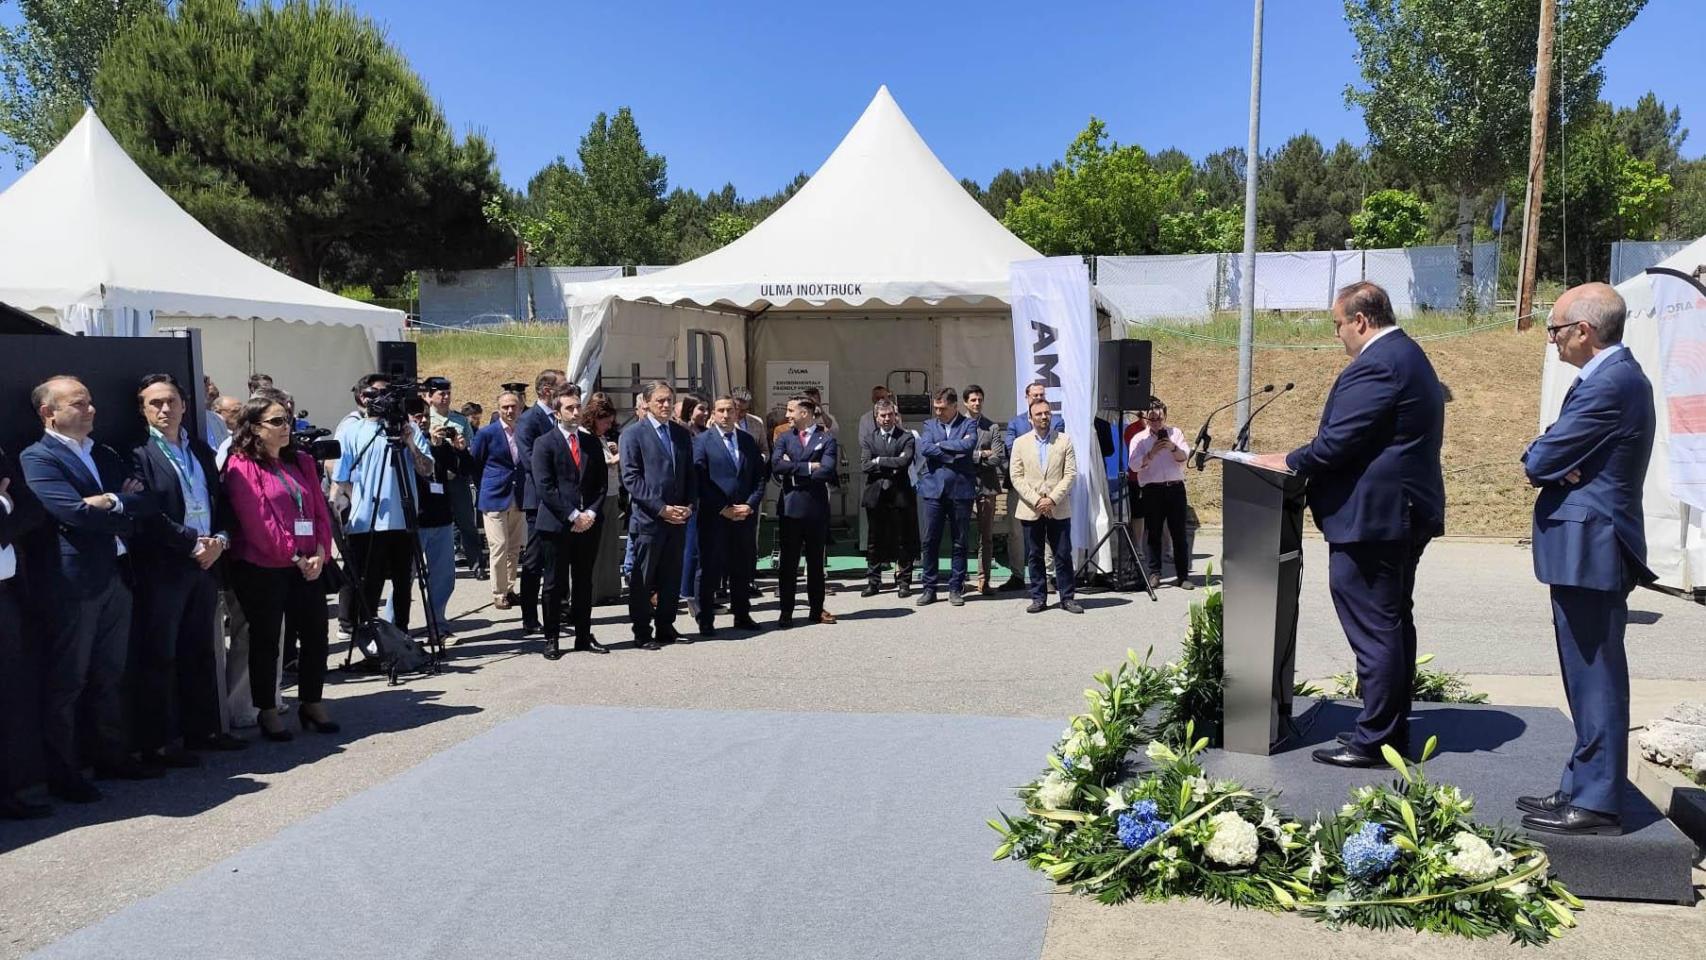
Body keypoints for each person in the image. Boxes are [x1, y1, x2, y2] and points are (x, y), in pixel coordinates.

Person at [1250, 281, 1445, 769]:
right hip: (1396, 513)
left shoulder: (1379, 363)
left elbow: (1338, 442)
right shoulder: (1407, 355)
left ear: (1360, 320)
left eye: (1337, 324)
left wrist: (1285, 460)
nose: (1336, 334)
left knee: (1377, 628)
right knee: (1391, 622)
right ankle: (1389, 728)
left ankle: (1375, 740)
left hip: (1375, 520)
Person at [1516, 283, 1655, 836]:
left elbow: (1543, 458)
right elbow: (1551, 452)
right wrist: (1550, 456)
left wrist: (1546, 457)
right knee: (1584, 675)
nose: (1551, 339)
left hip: (1593, 547)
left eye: (1554, 329)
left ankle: (1597, 802)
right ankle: (1582, 784)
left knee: (1595, 676)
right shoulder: (1609, 378)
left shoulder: (1612, 383)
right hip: (1585, 547)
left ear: (1584, 330)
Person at [22, 377, 162, 801]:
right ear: (49, 413)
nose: (90, 410)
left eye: (90, 402)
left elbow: (144, 503)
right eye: (78, 404)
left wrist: (111, 501)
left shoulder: (103, 453)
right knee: (68, 681)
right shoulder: (38, 457)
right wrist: (117, 503)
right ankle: (64, 773)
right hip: (74, 585)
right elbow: (71, 513)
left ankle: (111, 755)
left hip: (115, 577)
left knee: (110, 674)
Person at [131, 374, 246, 767]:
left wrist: (220, 539)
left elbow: (219, 500)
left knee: (201, 649)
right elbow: (147, 512)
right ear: (143, 409)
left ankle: (205, 730)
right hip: (167, 565)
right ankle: (161, 742)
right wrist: (192, 542)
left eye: (171, 401)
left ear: (184, 405)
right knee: (160, 655)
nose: (165, 409)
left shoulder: (198, 448)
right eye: (155, 403)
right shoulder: (138, 453)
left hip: (207, 562)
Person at [223, 397, 339, 740]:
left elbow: (319, 511)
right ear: (254, 428)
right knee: (266, 639)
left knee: (316, 634)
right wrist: (295, 556)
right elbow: (257, 521)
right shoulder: (241, 465)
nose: (285, 426)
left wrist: (321, 552)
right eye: (276, 421)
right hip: (263, 567)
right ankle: (267, 710)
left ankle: (312, 702)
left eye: (286, 419)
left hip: (308, 564)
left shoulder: (302, 461)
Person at [334, 381, 434, 642]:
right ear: (362, 397)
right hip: (366, 522)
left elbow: (427, 469)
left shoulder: (408, 428)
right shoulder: (352, 431)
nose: (380, 399)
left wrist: (410, 443)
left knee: (403, 584)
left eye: (385, 394)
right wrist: (337, 509)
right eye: (373, 394)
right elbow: (339, 477)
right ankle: (369, 639)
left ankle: (401, 637)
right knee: (370, 584)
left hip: (403, 521)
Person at [532, 390, 610, 658]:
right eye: (569, 408)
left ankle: (583, 636)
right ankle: (552, 637)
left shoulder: (591, 442)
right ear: (557, 413)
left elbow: (601, 484)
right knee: (554, 583)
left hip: (588, 524)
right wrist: (573, 515)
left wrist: (590, 513)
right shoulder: (545, 443)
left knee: (584, 581)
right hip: (556, 524)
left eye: (578, 407)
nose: (576, 413)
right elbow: (545, 486)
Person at [620, 379, 697, 649]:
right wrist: (661, 508)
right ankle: (642, 631)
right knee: (643, 578)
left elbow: (690, 474)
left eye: (668, 400)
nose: (665, 405)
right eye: (659, 400)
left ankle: (666, 626)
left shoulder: (681, 433)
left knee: (671, 576)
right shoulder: (633, 434)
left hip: (678, 518)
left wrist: (688, 505)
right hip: (649, 519)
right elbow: (632, 478)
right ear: (647, 403)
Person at [383, 396, 465, 644]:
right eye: (417, 417)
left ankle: (437, 625)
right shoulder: (399, 444)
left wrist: (450, 447)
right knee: (404, 580)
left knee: (443, 578)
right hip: (414, 522)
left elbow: (457, 471)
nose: (423, 421)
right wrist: (412, 443)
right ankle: (392, 630)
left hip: (442, 519)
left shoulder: (437, 443)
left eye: (426, 417)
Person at [0, 442, 49, 818]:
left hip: (7, 592)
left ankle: (8, 792)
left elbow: (31, 508)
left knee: (9, 694)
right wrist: (4, 504)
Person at [693, 394, 766, 636]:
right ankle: (705, 618)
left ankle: (742, 614)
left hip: (743, 516)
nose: (725, 415)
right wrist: (723, 507)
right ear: (713, 414)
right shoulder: (702, 442)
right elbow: (700, 479)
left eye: (730, 410)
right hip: (715, 516)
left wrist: (750, 505)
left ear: (737, 413)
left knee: (741, 567)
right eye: (721, 411)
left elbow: (759, 477)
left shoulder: (747, 440)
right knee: (709, 568)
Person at [1009, 397, 1083, 614]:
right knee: (1035, 555)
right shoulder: (1020, 443)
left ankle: (1067, 598)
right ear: (1030, 418)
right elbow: (1016, 476)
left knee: (1063, 554)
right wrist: (1037, 500)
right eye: (1039, 414)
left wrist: (1051, 499)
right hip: (1031, 508)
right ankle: (1038, 597)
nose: (1044, 417)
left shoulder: (1064, 441)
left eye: (1047, 413)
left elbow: (1070, 474)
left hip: (1058, 507)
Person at [771, 394, 837, 626]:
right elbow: (776, 465)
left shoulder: (826, 438)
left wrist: (793, 470)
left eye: (791, 410)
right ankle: (786, 611)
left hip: (815, 510)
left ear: (805, 413)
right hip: (790, 509)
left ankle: (816, 609)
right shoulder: (784, 437)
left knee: (815, 563)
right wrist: (809, 466)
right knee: (788, 564)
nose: (787, 415)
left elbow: (827, 470)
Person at [916, 387, 979, 606]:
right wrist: (952, 455)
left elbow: (968, 445)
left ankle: (955, 587)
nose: (938, 412)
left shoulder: (968, 424)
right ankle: (929, 588)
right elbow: (925, 448)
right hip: (933, 490)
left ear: (954, 406)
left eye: (942, 408)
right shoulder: (929, 425)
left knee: (959, 541)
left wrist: (941, 445)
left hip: (961, 490)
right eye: (936, 408)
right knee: (929, 540)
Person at [515, 370, 566, 636]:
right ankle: (530, 616)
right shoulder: (529, 420)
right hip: (539, 500)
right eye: (563, 386)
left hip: (563, 499)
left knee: (558, 558)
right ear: (547, 391)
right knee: (534, 560)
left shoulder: (560, 417)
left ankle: (558, 608)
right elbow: (530, 461)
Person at [1001, 380, 1064, 592]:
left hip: (1046, 490)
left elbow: (1056, 451)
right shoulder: (1015, 422)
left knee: (1045, 535)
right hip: (1019, 486)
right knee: (1016, 533)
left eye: (1041, 395)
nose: (1038, 398)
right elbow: (1011, 449)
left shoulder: (1057, 422)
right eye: (1034, 395)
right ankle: (1017, 575)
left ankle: (1047, 576)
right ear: (1026, 397)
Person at [423, 376, 486, 580]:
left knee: (467, 522)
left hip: (457, 478)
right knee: (434, 524)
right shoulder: (424, 419)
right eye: (441, 394)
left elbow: (470, 447)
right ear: (430, 396)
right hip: (433, 479)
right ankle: (433, 565)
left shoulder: (460, 420)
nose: (445, 397)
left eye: (448, 393)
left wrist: (460, 445)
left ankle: (477, 563)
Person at [1128, 399, 1194, 590]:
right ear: (1146, 419)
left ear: (1165, 417)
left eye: (1160, 418)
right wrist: (1151, 453)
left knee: (1179, 533)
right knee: (1153, 533)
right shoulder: (1139, 439)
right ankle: (1155, 573)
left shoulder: (1175, 433)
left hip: (1175, 488)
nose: (1156, 422)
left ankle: (1182, 576)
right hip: (1152, 490)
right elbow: (1133, 465)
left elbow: (1184, 457)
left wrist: (1172, 447)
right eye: (1152, 419)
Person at [471, 391, 527, 610]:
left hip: (518, 495)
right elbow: (475, 464)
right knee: (499, 546)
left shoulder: (524, 431)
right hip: (494, 496)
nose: (510, 410)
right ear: (498, 409)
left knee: (514, 547)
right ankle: (499, 592)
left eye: (513, 406)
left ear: (520, 408)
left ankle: (510, 589)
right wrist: (486, 486)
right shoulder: (487, 433)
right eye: (505, 407)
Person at [860, 398, 917, 597]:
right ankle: (873, 581)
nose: (886, 419)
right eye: (882, 415)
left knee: (903, 539)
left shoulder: (906, 437)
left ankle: (904, 581)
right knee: (875, 539)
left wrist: (879, 461)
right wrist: (890, 463)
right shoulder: (869, 439)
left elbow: (905, 461)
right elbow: (865, 465)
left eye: (890, 415)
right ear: (876, 417)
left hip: (900, 493)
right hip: (876, 494)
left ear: (895, 416)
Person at [962, 385, 1007, 594]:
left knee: (986, 536)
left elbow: (998, 457)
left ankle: (984, 580)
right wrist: (981, 455)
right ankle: (960, 579)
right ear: (965, 402)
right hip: (963, 485)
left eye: (980, 399)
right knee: (961, 535)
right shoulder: (958, 425)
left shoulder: (992, 427)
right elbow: (957, 455)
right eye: (973, 400)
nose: (977, 403)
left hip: (987, 486)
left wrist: (972, 457)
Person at [856, 385, 891, 452]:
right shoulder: (865, 418)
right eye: (877, 398)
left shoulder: (894, 417)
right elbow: (862, 441)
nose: (880, 400)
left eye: (882, 397)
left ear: (887, 398)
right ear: (873, 399)